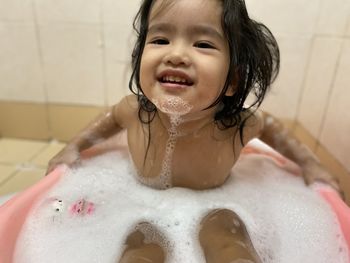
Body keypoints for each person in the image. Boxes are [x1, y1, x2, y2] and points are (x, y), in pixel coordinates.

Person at [47, 0, 343, 262]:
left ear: (233, 82)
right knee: (138, 248)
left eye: (203, 44)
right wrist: (73, 147)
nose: (176, 54)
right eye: (160, 39)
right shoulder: (136, 112)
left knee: (231, 242)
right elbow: (110, 118)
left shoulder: (235, 127)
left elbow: (271, 128)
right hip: (138, 208)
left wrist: (310, 164)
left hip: (221, 205)